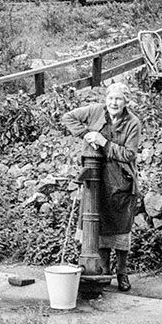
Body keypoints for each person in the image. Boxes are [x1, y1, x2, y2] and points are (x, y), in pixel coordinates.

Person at [61, 82, 142, 291]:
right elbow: (68, 117)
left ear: (126, 102)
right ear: (105, 100)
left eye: (119, 99)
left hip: (121, 181)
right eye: (111, 98)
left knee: (121, 228)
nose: (114, 103)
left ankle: (122, 273)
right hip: (97, 178)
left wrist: (104, 142)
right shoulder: (96, 111)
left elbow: (129, 154)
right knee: (99, 226)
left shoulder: (133, 123)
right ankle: (104, 271)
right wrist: (86, 134)